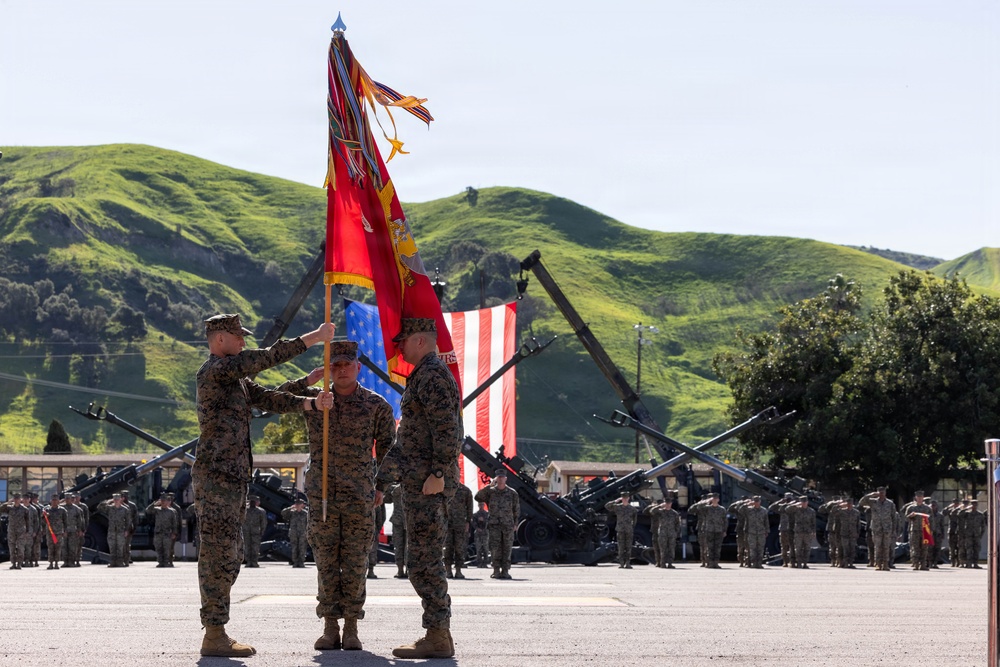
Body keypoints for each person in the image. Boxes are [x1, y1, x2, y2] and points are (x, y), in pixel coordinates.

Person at [194, 313, 335, 658]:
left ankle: (217, 629)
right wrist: (313, 338)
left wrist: (308, 394)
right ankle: (214, 632)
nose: (242, 340)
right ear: (219, 337)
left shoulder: (236, 381)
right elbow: (265, 357)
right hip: (217, 478)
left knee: (231, 554)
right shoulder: (217, 371)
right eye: (237, 335)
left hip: (231, 478)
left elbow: (270, 398)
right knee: (218, 555)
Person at [277, 340, 398, 652]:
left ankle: (353, 626)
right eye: (335, 365)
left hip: (360, 496)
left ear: (358, 367)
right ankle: (330, 626)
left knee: (356, 562)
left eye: (347, 364)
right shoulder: (316, 401)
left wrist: (382, 486)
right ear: (328, 369)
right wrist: (308, 382)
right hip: (323, 496)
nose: (342, 369)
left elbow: (389, 450)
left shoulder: (376, 405)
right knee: (326, 562)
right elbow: (275, 398)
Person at [389, 318, 463, 660]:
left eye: (402, 341)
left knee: (425, 559)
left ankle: (437, 635)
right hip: (419, 481)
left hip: (429, 484)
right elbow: (412, 437)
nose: (398, 347)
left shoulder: (431, 374)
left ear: (419, 341)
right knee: (420, 558)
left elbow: (448, 430)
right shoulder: (424, 373)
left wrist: (437, 473)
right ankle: (437, 633)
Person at [476, 470, 521, 578]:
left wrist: (515, 523)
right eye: (499, 477)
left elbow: (516, 509)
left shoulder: (512, 493)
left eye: (502, 477)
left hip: (507, 525)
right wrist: (489, 485)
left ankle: (505, 571)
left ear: (506, 479)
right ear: (496, 478)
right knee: (495, 548)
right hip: (494, 525)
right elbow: (478, 497)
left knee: (507, 548)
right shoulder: (490, 492)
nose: (500, 479)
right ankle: (496, 570)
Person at [859, 487, 897, 571]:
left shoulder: (890, 503)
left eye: (883, 493)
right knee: (878, 546)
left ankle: (886, 564)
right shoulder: (873, 502)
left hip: (887, 528)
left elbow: (894, 517)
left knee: (886, 546)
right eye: (880, 493)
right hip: (876, 528)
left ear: (885, 493)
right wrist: (870, 495)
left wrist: (894, 530)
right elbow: (861, 503)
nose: (881, 494)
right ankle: (878, 564)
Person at [689, 493, 727, 568]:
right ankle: (709, 563)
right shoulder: (707, 508)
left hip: (718, 530)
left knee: (717, 548)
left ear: (718, 500)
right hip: (709, 530)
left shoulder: (722, 509)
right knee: (709, 548)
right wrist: (705, 501)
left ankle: (715, 563)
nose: (715, 500)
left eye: (716, 499)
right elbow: (697, 508)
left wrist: (724, 530)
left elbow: (725, 521)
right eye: (713, 499)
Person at [445, 483, 473, 579]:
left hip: (460, 523)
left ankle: (458, 570)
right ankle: (448, 570)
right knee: (447, 547)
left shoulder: (465, 490)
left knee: (459, 548)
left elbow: (470, 507)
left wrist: (468, 521)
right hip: (446, 523)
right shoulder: (444, 487)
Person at [604, 493, 639, 569]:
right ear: (622, 499)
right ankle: (622, 563)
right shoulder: (617, 507)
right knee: (621, 546)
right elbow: (607, 506)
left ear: (628, 498)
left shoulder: (632, 509)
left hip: (629, 530)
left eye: (626, 498)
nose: (625, 500)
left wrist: (631, 527)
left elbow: (635, 520)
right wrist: (616, 501)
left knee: (628, 546)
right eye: (623, 498)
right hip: (620, 529)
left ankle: (628, 563)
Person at [98, 493, 133, 567]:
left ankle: (120, 562)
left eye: (118, 499)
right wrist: (108, 501)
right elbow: (99, 507)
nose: (116, 501)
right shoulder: (109, 508)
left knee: (120, 548)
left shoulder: (125, 509)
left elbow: (128, 521)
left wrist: (127, 530)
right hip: (111, 531)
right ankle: (113, 562)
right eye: (115, 499)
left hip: (121, 531)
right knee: (112, 547)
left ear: (120, 499)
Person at [146, 494, 180, 567]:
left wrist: (174, 533)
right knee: (158, 548)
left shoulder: (172, 511)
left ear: (168, 502)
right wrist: (154, 504)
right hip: (158, 532)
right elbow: (148, 510)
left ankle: (166, 562)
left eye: (165, 501)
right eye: (162, 501)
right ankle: (160, 562)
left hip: (167, 533)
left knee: (167, 548)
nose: (163, 502)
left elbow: (174, 523)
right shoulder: (157, 510)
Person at [902, 491, 932, 571]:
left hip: (924, 530)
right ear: (915, 498)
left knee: (924, 548)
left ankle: (923, 564)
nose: (919, 499)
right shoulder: (911, 508)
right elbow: (906, 518)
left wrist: (931, 531)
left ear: (923, 498)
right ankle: (915, 564)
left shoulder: (927, 508)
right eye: (918, 497)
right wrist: (911, 516)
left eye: (921, 497)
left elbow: (931, 519)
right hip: (914, 530)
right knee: (915, 548)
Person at [649, 496, 681, 568]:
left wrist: (676, 533)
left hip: (671, 533)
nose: (668, 504)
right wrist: (659, 506)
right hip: (662, 533)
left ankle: (670, 563)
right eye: (666, 503)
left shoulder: (674, 513)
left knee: (671, 549)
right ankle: (662, 563)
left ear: (671, 504)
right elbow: (651, 511)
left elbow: (678, 524)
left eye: (669, 503)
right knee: (663, 549)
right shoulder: (661, 512)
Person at [0, 493, 30, 569]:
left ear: (20, 500)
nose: (16, 500)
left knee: (20, 547)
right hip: (11, 531)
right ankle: (13, 563)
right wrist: (8, 502)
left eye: (18, 498)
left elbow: (27, 521)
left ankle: (19, 563)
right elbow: (1, 509)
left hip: (21, 531)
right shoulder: (9, 508)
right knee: (12, 547)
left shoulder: (25, 509)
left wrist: (27, 531)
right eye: (15, 498)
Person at [769, 493, 797, 567]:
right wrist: (780, 502)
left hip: (792, 529)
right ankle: (785, 561)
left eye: (790, 498)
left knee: (793, 546)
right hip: (783, 528)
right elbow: (771, 507)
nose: (788, 500)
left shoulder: (795, 507)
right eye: (787, 498)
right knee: (784, 546)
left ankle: (793, 562)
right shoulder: (782, 507)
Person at [386, 483, 407, 579]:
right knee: (403, 545)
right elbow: (387, 499)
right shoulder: (411, 485)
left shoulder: (395, 488)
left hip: (401, 519)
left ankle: (402, 570)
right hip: (404, 519)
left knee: (401, 546)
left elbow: (387, 499)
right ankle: (403, 570)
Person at [281, 499, 309, 568]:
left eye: (299, 504)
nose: (298, 505)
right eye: (297, 504)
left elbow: (309, 523)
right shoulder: (292, 512)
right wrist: (290, 507)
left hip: (303, 533)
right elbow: (283, 513)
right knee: (294, 548)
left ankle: (301, 562)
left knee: (302, 548)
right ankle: (295, 562)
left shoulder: (305, 513)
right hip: (294, 533)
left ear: (302, 505)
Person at [743, 496, 770, 568]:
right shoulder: (748, 510)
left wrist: (767, 531)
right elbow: (740, 510)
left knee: (760, 549)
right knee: (752, 549)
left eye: (757, 501)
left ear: (760, 501)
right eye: (755, 501)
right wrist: (747, 504)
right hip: (751, 532)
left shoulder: (764, 510)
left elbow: (766, 521)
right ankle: (754, 563)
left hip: (761, 532)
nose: (756, 502)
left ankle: (759, 563)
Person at [43, 494, 67, 570]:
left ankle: (56, 563)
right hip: (50, 532)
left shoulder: (62, 510)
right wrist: (45, 516)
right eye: (53, 500)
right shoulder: (47, 510)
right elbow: (42, 521)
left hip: (59, 532)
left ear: (58, 501)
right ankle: (50, 563)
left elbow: (65, 522)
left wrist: (65, 531)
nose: (54, 502)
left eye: (56, 500)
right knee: (50, 548)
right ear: (51, 501)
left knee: (58, 548)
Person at [791, 496, 816, 568]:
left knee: (807, 548)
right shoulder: (796, 510)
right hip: (798, 532)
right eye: (802, 502)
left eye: (805, 502)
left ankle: (805, 563)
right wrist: (795, 505)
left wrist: (814, 532)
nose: (804, 504)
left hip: (808, 532)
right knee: (798, 548)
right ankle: (798, 563)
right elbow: (787, 510)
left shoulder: (811, 511)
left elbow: (813, 523)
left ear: (807, 502)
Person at [242, 495, 267, 568]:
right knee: (247, 547)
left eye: (254, 501)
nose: (252, 503)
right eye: (251, 501)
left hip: (256, 532)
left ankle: (254, 561)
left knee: (255, 548)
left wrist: (262, 531)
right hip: (246, 531)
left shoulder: (260, 511)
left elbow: (263, 522)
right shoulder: (245, 510)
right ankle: (248, 561)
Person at [63, 493, 86, 568]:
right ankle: (65, 562)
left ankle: (71, 561)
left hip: (73, 530)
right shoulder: (62, 508)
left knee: (72, 547)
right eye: (66, 499)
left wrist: (80, 530)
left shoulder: (77, 509)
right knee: (64, 547)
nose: (67, 500)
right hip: (64, 530)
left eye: (69, 499)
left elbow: (80, 521)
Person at [961, 499, 986, 568]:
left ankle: (975, 564)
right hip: (968, 534)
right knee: (968, 549)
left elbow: (983, 526)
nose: (974, 506)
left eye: (975, 504)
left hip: (977, 534)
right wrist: (966, 508)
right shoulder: (967, 513)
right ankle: (968, 563)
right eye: (972, 504)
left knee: (976, 549)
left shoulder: (980, 514)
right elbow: (959, 515)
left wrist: (981, 534)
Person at [838, 498, 860, 568]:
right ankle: (845, 563)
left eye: (850, 503)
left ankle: (851, 563)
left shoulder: (856, 512)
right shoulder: (841, 512)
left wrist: (857, 532)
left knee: (852, 549)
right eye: (848, 503)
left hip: (853, 533)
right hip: (844, 532)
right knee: (845, 548)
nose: (849, 505)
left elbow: (858, 523)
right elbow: (833, 512)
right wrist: (839, 505)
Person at [120, 490, 139, 566]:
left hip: (128, 528)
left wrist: (133, 528)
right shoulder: (116, 505)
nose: (124, 498)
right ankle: (120, 560)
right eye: (123, 496)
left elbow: (135, 518)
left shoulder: (132, 506)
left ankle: (126, 560)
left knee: (127, 545)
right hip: (118, 528)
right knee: (119, 546)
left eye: (125, 496)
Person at [369, 502, 387, 579]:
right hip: (373, 528)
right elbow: (382, 517)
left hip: (367, 528)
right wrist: (378, 528)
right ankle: (370, 570)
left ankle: (370, 570)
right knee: (372, 550)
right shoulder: (376, 498)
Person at [472, 501, 490, 568]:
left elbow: (489, 522)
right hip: (478, 533)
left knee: (485, 548)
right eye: (480, 505)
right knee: (478, 548)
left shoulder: (487, 514)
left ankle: (485, 563)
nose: (481, 506)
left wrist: (484, 520)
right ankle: (479, 563)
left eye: (482, 504)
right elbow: (473, 522)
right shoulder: (475, 514)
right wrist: (477, 528)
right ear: (478, 505)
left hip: (485, 532)